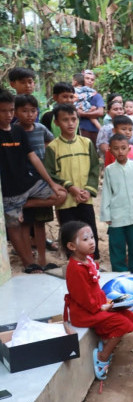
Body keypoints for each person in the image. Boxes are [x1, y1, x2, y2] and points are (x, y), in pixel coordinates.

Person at [61, 221, 133, 380]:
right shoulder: (75, 269)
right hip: (85, 312)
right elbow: (84, 298)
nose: (92, 241)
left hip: (97, 306)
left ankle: (106, 339)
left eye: (92, 237)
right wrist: (104, 307)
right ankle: (103, 356)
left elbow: (94, 290)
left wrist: (110, 302)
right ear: (71, 246)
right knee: (122, 324)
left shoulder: (87, 260)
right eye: (85, 239)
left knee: (130, 316)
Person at [0, 91, 66, 274]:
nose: (8, 115)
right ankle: (29, 263)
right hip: (8, 190)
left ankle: (22, 206)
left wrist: (52, 183)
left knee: (60, 194)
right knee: (14, 227)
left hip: (29, 183)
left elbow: (34, 158)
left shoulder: (18, 130)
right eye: (3, 111)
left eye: (11, 110)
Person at [44, 103, 101, 260]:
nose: (70, 123)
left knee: (89, 230)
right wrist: (70, 187)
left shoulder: (86, 143)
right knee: (70, 232)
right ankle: (73, 263)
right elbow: (50, 173)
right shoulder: (53, 147)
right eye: (65, 120)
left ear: (78, 120)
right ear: (56, 122)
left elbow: (95, 168)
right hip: (66, 200)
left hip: (85, 197)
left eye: (73, 119)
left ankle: (92, 262)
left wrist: (88, 190)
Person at [15, 94, 57, 270]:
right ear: (16, 112)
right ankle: (29, 258)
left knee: (40, 223)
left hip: (41, 179)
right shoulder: (14, 131)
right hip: (22, 180)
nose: (29, 114)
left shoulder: (40, 128)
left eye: (33, 111)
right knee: (24, 224)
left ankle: (41, 257)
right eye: (24, 111)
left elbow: (52, 142)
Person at [101, 134, 133, 273]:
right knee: (116, 244)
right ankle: (119, 269)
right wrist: (106, 214)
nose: (120, 152)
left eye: (123, 148)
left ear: (129, 149)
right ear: (110, 150)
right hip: (116, 214)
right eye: (116, 148)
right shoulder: (109, 170)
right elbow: (107, 193)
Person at [75, 70, 104, 143]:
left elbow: (100, 112)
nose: (90, 81)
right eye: (87, 78)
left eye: (92, 79)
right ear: (82, 79)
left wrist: (83, 114)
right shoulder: (76, 92)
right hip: (79, 129)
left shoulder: (97, 95)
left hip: (94, 131)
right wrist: (92, 112)